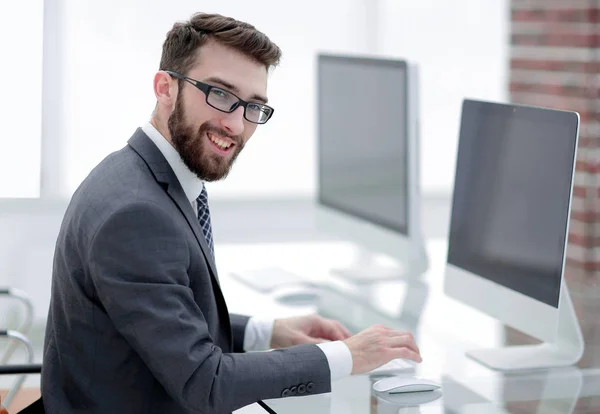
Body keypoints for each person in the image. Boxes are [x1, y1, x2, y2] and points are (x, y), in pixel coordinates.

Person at [41, 12, 422, 413]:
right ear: (165, 87)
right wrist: (347, 356)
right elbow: (206, 384)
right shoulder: (136, 213)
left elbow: (165, 315)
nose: (236, 125)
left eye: (254, 106)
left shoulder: (137, 175)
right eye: (220, 94)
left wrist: (268, 331)